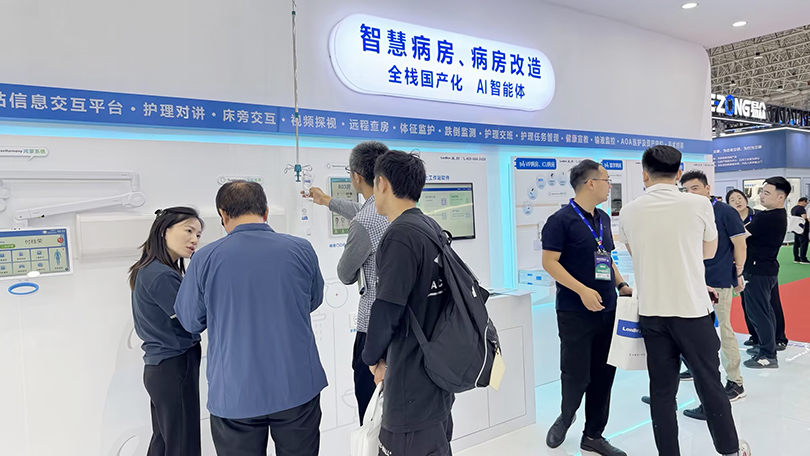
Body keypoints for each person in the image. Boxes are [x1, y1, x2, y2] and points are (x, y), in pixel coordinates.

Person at [175, 181, 327, 456]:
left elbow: (190, 321)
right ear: (265, 211)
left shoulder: (205, 259)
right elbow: (313, 301)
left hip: (236, 393)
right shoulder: (301, 249)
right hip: (296, 385)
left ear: (223, 214)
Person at [619, 146, 748, 456]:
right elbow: (708, 252)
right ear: (679, 173)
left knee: (662, 392)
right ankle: (730, 450)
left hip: (652, 314)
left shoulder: (629, 210)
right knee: (709, 383)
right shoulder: (699, 204)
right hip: (692, 311)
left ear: (644, 175)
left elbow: (635, 253)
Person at [361, 150, 454, 456]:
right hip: (435, 376)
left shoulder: (400, 235)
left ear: (382, 184)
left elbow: (388, 308)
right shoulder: (429, 226)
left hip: (410, 385)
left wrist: (372, 357)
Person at [541, 160, 630, 456]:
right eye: (606, 180)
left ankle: (593, 435)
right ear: (590, 183)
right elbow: (549, 263)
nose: (609, 186)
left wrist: (621, 284)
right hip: (575, 311)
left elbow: (606, 257)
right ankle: (566, 415)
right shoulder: (560, 220)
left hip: (608, 308)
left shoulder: (602, 218)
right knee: (576, 373)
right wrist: (581, 290)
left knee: (604, 374)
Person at [305, 141, 390, 423]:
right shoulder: (396, 208)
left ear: (356, 176)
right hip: (403, 323)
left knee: (371, 408)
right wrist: (327, 201)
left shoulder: (365, 222)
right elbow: (363, 211)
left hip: (373, 328)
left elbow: (345, 273)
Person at [129, 207, 205, 456]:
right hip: (175, 365)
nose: (194, 239)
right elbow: (192, 320)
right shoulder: (161, 275)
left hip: (161, 367)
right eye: (189, 231)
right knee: (182, 444)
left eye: (198, 234)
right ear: (164, 231)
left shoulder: (149, 269)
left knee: (165, 441)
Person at [679, 171, 748, 421]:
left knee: (723, 329)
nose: (690, 193)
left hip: (718, 281)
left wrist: (738, 273)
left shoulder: (725, 212)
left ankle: (735, 382)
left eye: (695, 188)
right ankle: (693, 368)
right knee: (691, 330)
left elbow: (740, 244)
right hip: (692, 280)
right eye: (685, 190)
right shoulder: (685, 211)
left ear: (708, 189)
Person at [741, 177, 790, 369]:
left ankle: (768, 355)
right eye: (762, 191)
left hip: (758, 271)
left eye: (767, 193)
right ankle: (766, 346)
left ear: (780, 197)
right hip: (765, 270)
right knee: (765, 311)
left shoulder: (768, 217)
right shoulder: (776, 215)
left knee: (759, 312)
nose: (762, 196)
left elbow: (740, 235)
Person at [791, 196, 809, 264]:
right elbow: (804, 217)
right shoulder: (801, 208)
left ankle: (796, 258)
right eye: (806, 203)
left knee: (796, 243)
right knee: (804, 243)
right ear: (803, 201)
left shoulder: (793, 208)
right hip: (802, 229)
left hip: (795, 228)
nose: (806, 205)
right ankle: (803, 258)